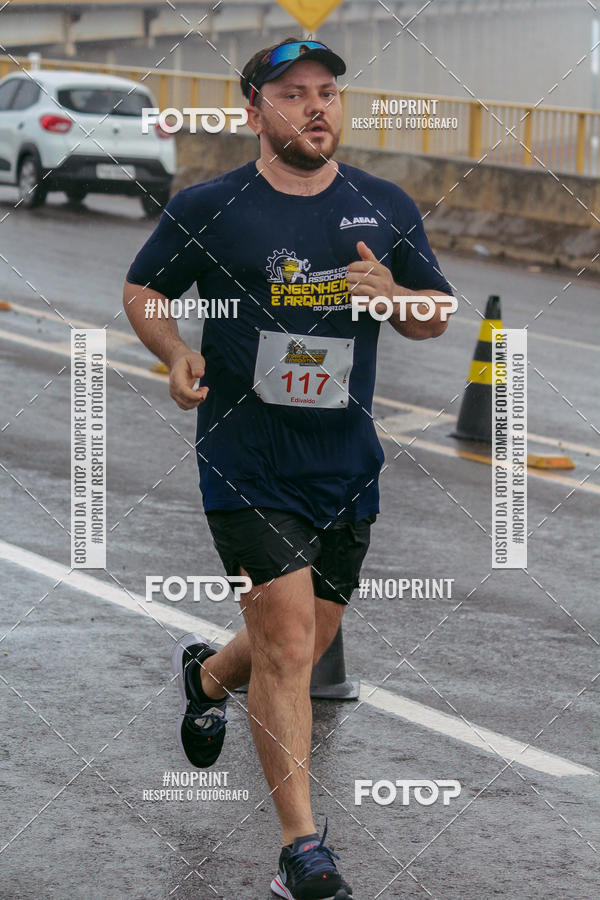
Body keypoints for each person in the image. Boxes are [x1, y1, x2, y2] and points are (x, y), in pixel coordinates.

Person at [123, 37, 454, 900]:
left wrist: (398, 298)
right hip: (246, 461)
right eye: (294, 93)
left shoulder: (382, 205)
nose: (316, 107)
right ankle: (300, 849)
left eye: (327, 93)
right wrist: (174, 352)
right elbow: (144, 290)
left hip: (345, 464)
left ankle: (206, 677)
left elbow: (437, 312)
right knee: (288, 645)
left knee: (305, 642)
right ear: (255, 111)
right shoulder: (211, 206)